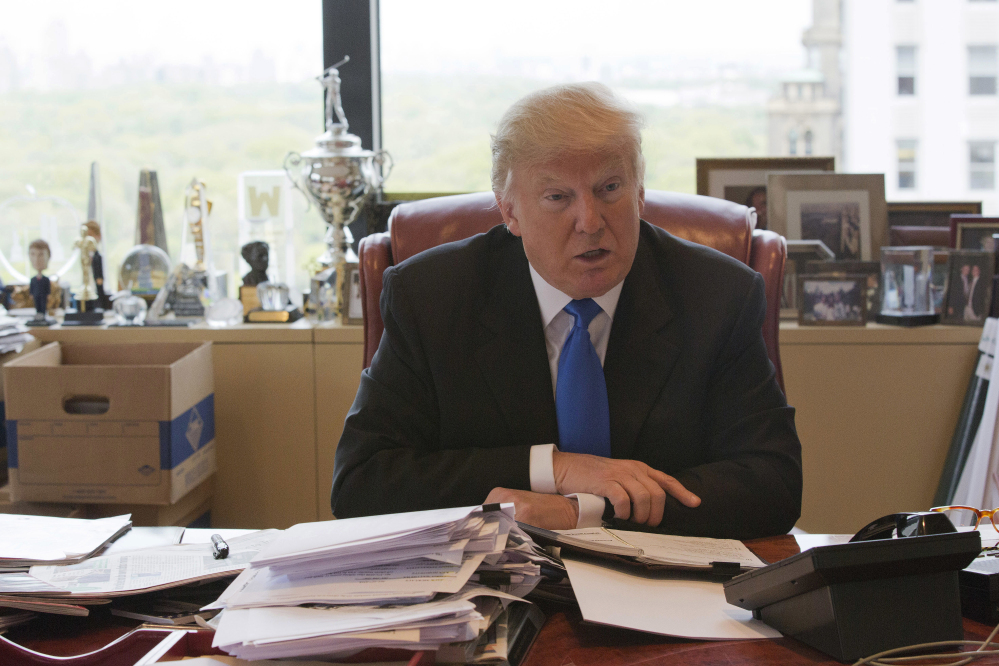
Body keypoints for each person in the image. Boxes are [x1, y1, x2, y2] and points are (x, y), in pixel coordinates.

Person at [331, 83, 802, 539]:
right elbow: (361, 482)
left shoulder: (716, 295)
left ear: (640, 193)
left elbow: (773, 482)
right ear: (509, 211)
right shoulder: (434, 296)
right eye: (558, 198)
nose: (591, 222)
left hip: (657, 588)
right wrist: (554, 469)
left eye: (610, 188)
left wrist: (584, 512)